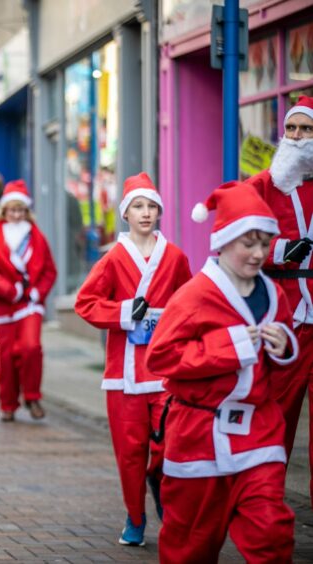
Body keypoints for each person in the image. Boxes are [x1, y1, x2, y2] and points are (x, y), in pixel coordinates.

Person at [146, 181, 297, 563]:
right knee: (189, 547)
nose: (259, 253)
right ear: (224, 241)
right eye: (249, 243)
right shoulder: (194, 295)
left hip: (259, 432)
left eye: (264, 243)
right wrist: (232, 346)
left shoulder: (274, 294)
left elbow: (278, 368)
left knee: (271, 533)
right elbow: (161, 358)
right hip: (198, 436)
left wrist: (283, 350)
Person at [74, 172, 192, 546]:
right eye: (138, 207)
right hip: (122, 373)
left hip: (165, 370)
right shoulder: (113, 259)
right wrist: (125, 312)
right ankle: (135, 515)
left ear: (159, 212)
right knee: (129, 454)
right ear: (125, 214)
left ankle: (162, 489)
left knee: (169, 446)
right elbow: (85, 303)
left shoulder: (174, 257)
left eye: (151, 206)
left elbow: (191, 303)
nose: (145, 213)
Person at [246, 94, 313, 503]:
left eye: (306, 130)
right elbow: (234, 241)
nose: (297, 137)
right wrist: (276, 252)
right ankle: (263, 503)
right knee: (277, 417)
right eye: (291, 129)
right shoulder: (263, 184)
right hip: (287, 322)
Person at [0, 179, 56, 421]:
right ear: (4, 210)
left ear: (26, 211)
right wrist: (10, 290)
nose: (17, 215)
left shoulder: (36, 237)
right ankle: (8, 403)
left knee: (30, 348)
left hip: (29, 303)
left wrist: (38, 292)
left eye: (21, 210)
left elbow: (49, 270)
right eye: (12, 210)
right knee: (5, 357)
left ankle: (32, 396)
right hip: (1, 305)